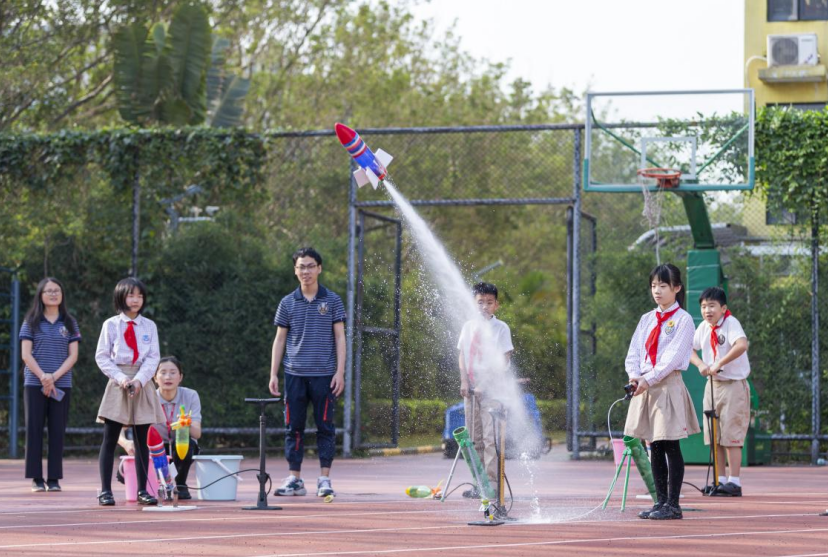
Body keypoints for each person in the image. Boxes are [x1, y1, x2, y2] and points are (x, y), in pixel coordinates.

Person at [269, 247, 346, 498]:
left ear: (319, 268)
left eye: (311, 266)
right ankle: (295, 478)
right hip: (294, 375)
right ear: (295, 270)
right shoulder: (287, 302)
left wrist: (340, 372)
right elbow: (280, 340)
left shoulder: (332, 300)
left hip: (325, 375)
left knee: (325, 427)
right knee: (294, 427)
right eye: (301, 267)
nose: (306, 271)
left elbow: (340, 337)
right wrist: (273, 374)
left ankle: (324, 479)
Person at [625, 263, 700, 520]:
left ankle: (673, 504)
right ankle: (660, 502)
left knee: (669, 443)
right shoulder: (647, 318)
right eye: (654, 286)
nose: (657, 291)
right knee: (653, 444)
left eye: (663, 286)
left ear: (676, 288)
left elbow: (672, 357)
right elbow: (635, 351)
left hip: (666, 385)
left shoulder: (683, 320)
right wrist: (635, 376)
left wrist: (649, 378)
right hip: (645, 386)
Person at [94, 277, 165, 506]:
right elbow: (102, 356)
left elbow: (153, 357)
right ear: (121, 297)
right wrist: (123, 379)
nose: (135, 300)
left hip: (142, 382)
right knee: (110, 437)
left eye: (140, 296)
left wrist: (140, 380)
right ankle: (106, 490)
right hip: (118, 381)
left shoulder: (149, 326)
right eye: (131, 295)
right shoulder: (111, 324)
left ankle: (143, 490)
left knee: (142, 438)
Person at [20, 277, 81, 493]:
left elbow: (73, 356)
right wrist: (43, 377)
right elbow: (26, 355)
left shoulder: (70, 323)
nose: (53, 294)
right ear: (41, 295)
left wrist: (53, 377)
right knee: (34, 430)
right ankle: (36, 478)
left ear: (62, 294)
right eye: (48, 291)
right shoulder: (31, 321)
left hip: (62, 384)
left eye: (57, 290)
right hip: (34, 384)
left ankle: (54, 478)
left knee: (57, 431)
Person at [689, 287, 750, 497]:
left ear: (723, 308)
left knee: (731, 433)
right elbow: (690, 349)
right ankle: (719, 479)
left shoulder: (731, 324)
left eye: (712, 306)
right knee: (714, 433)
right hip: (713, 385)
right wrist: (700, 364)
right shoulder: (704, 327)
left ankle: (734, 481)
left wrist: (719, 363)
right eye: (704, 306)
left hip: (733, 384)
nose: (707, 310)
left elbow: (742, 345)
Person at [457, 282, 514, 497]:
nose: (484, 306)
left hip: (492, 391)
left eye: (489, 302)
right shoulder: (468, 326)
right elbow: (462, 354)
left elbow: (503, 359)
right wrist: (464, 381)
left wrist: (484, 384)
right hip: (471, 390)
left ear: (496, 305)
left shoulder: (501, 328)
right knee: (473, 438)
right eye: (480, 302)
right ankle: (477, 483)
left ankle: (492, 485)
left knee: (491, 439)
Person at [118, 356, 202, 499]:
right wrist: (126, 443)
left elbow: (197, 433)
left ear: (180, 377)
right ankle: (154, 483)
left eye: (173, 372)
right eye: (162, 372)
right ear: (154, 378)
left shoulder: (191, 395)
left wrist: (186, 424)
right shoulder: (146, 396)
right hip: (154, 448)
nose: (167, 377)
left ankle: (180, 484)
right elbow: (118, 427)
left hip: (179, 446)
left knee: (184, 440)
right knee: (123, 476)